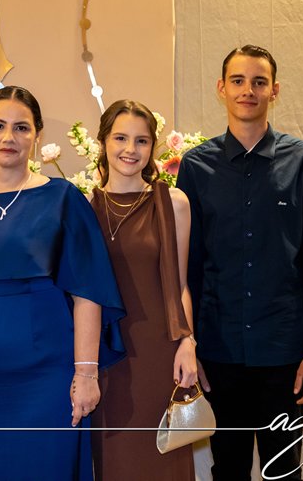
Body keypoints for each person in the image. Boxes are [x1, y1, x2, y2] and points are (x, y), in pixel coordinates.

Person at [0, 86, 126, 481]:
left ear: (36, 135)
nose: (9, 137)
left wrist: (86, 375)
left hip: (48, 377)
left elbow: (87, 293)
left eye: (21, 128)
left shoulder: (63, 199)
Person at [176, 45, 303, 481]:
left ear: (274, 90)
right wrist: (188, 341)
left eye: (258, 82)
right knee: (228, 470)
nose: (247, 90)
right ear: (221, 88)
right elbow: (186, 267)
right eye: (238, 80)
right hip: (218, 353)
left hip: (284, 353)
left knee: (283, 470)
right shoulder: (196, 167)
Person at [89, 100, 198, 481]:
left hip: (161, 355)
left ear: (153, 146)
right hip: (107, 357)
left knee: (163, 461)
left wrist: (188, 343)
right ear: (103, 142)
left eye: (141, 140)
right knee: (115, 461)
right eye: (120, 138)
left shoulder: (173, 203)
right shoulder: (85, 207)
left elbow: (180, 284)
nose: (130, 150)